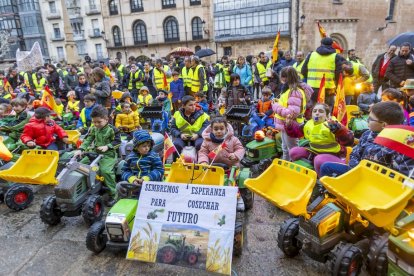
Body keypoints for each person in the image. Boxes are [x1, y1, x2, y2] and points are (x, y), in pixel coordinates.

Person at [320, 101, 412, 177]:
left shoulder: (401, 143)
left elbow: (402, 176)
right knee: (326, 167)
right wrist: (355, 169)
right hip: (357, 171)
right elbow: (355, 153)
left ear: (384, 125)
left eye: (371, 119)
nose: (367, 120)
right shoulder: (368, 134)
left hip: (378, 182)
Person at [286, 103, 354, 176]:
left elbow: (349, 141)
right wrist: (289, 124)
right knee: (293, 152)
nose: (317, 113)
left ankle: (321, 181)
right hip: (314, 152)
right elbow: (297, 133)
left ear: (327, 115)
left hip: (335, 155)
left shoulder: (333, 124)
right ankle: (303, 173)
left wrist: (338, 130)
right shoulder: (308, 124)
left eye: (321, 111)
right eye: (314, 111)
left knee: (318, 159)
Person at [74, 106, 121, 204]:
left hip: (108, 155)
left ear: (106, 119)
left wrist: (107, 147)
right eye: (94, 122)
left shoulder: (113, 130)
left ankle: (113, 194)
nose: (96, 124)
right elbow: (88, 139)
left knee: (106, 171)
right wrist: (81, 149)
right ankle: (85, 187)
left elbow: (118, 142)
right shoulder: (93, 128)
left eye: (99, 122)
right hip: (95, 152)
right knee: (80, 166)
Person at [272, 67, 308, 160]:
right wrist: (279, 101)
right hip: (286, 124)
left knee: (292, 149)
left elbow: (291, 113)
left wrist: (276, 106)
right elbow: (288, 103)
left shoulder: (295, 91)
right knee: (285, 148)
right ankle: (285, 164)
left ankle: (293, 165)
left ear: (285, 77)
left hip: (291, 124)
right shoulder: (290, 89)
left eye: (282, 77)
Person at [301, 37, 346, 107]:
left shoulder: (311, 55)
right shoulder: (335, 56)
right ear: (332, 45)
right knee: (327, 110)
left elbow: (303, 71)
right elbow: (339, 75)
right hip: (328, 89)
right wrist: (337, 87)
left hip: (311, 88)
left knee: (313, 109)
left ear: (321, 44)